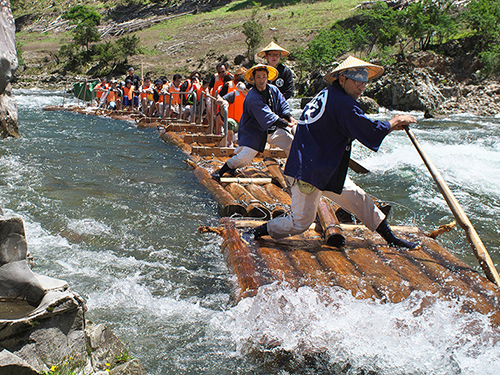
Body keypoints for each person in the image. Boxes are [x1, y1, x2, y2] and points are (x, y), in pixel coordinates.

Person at [243, 56, 419, 249]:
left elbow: (346, 127)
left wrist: (388, 126)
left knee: (358, 197)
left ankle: (391, 239)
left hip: (325, 165)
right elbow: (367, 129)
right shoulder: (343, 103)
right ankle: (255, 232)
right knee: (299, 223)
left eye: (364, 82)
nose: (361, 87)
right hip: (309, 170)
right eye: (357, 82)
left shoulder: (328, 94)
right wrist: (393, 122)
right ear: (342, 79)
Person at [212, 64, 297, 179]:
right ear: (254, 79)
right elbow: (267, 116)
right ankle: (223, 171)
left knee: (292, 144)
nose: (261, 80)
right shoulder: (252, 97)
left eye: (263, 77)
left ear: (267, 77)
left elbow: (283, 105)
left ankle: (292, 173)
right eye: (258, 77)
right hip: (255, 133)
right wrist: (288, 124)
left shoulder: (274, 90)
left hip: (273, 130)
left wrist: (290, 117)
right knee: (243, 158)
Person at [215, 80, 249, 147]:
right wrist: (223, 101)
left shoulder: (253, 96)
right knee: (229, 122)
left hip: (247, 124)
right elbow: (218, 100)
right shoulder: (234, 94)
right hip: (236, 123)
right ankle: (230, 143)